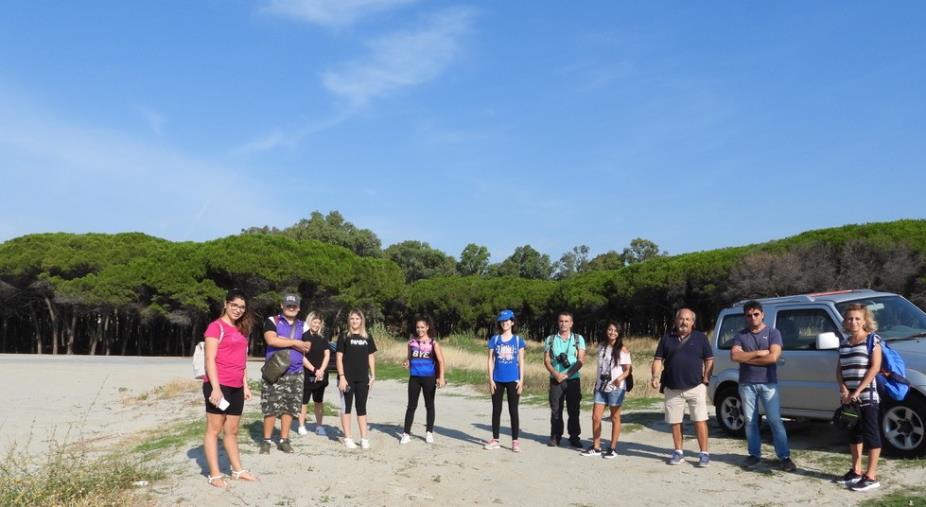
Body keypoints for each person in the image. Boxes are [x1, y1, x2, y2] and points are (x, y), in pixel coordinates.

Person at [730, 300, 797, 472]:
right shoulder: (740, 335)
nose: (752, 318)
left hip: (768, 384)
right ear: (745, 317)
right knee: (751, 421)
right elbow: (735, 357)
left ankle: (784, 457)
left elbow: (773, 358)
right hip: (747, 384)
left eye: (756, 314)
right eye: (749, 315)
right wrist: (759, 353)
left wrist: (747, 357)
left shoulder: (773, 333)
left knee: (775, 420)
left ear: (762, 314)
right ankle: (754, 454)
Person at [202, 288, 258, 488]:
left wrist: (245, 385)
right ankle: (215, 474)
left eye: (242, 307)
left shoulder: (241, 330)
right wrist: (215, 389)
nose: (238, 310)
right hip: (218, 385)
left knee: (232, 430)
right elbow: (209, 359)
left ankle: (237, 469)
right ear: (225, 304)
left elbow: (241, 361)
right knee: (214, 430)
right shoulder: (215, 327)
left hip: (236, 387)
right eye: (234, 305)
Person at [651, 308, 714, 467]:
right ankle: (678, 451)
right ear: (675, 320)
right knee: (675, 422)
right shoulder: (666, 338)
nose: (683, 322)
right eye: (680, 318)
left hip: (696, 386)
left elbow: (709, 360)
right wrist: (655, 377)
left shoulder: (700, 338)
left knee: (699, 420)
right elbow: (658, 360)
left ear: (693, 322)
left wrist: (706, 377)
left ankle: (704, 453)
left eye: (687, 319)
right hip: (672, 388)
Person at [835, 303, 883, 492]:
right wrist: (844, 389)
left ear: (865, 321)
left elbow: (875, 368)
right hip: (849, 399)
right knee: (854, 435)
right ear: (845, 322)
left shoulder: (873, 340)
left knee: (871, 435)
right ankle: (856, 470)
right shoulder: (845, 343)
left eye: (857, 318)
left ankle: (871, 476)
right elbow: (839, 370)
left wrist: (858, 391)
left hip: (868, 397)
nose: (853, 322)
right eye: (849, 318)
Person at [260, 293, 311, 454]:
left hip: (296, 372)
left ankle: (284, 440)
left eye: (294, 305)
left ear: (299, 308)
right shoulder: (272, 321)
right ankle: (266, 441)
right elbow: (271, 340)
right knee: (270, 407)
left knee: (289, 408)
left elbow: (307, 346)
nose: (291, 307)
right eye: (288, 305)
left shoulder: (304, 326)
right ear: (282, 305)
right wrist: (296, 342)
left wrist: (282, 340)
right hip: (274, 371)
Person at [580, 321, 631, 459]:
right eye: (610, 329)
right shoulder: (601, 346)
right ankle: (596, 447)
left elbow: (627, 370)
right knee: (596, 417)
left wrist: (619, 379)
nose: (612, 332)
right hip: (601, 386)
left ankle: (612, 448)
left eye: (615, 330)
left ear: (619, 333)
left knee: (615, 417)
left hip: (616, 387)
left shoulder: (623, 349)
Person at [400, 316, 446, 444]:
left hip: (429, 378)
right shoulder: (411, 342)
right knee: (411, 406)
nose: (419, 330)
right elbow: (409, 358)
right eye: (417, 327)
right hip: (414, 378)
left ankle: (429, 432)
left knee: (429, 405)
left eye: (422, 327)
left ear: (427, 327)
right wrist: (406, 363)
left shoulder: (433, 343)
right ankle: (406, 433)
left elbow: (441, 361)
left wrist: (441, 377)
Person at [543, 312, 586, 448]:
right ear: (558, 322)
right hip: (555, 380)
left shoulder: (578, 339)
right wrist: (555, 374)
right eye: (561, 321)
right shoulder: (550, 339)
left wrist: (567, 374)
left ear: (571, 323)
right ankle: (555, 437)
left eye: (567, 321)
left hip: (572, 380)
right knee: (556, 410)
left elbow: (581, 360)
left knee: (574, 410)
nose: (564, 324)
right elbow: (546, 360)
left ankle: (574, 437)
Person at [485, 309, 526, 452]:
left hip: (513, 380)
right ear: (499, 323)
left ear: (512, 322)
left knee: (513, 410)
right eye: (502, 321)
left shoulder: (517, 340)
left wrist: (521, 381)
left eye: (508, 320)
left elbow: (521, 361)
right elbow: (490, 360)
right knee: (496, 410)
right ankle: (495, 439)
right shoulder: (494, 339)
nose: (505, 323)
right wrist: (491, 380)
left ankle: (515, 441)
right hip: (497, 380)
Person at [337, 309, 377, 449]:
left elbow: (371, 356)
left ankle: (364, 437)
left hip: (362, 378)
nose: (355, 321)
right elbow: (339, 357)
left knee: (361, 408)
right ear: (349, 320)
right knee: (346, 408)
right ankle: (348, 437)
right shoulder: (343, 336)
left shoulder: (367, 337)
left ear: (362, 320)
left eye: (357, 319)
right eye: (352, 318)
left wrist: (373, 375)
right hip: (346, 378)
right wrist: (342, 377)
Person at [298, 311, 331, 437]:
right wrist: (314, 370)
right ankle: (301, 425)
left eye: (318, 323)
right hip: (307, 373)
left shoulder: (322, 338)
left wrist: (321, 370)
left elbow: (327, 354)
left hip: (321, 375)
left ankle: (319, 426)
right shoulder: (303, 337)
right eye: (314, 322)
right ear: (309, 322)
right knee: (304, 401)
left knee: (319, 401)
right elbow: (301, 357)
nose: (316, 325)